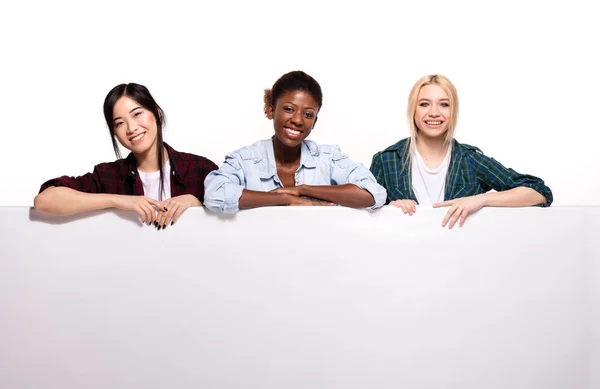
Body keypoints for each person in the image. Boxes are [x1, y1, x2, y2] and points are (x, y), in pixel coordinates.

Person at [370, 74, 552, 228]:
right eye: (424, 104)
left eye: (444, 104)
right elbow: (364, 214)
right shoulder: (386, 161)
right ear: (413, 110)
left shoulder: (470, 160)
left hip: (461, 263)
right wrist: (387, 208)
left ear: (453, 111)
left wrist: (482, 199)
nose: (434, 113)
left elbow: (539, 192)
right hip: (403, 260)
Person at [34, 83, 218, 229]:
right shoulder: (108, 176)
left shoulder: (200, 169)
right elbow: (44, 200)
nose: (131, 128)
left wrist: (194, 202)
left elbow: (235, 217)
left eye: (137, 114)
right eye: (120, 123)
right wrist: (117, 200)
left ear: (157, 113)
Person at [203, 70, 386, 213]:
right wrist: (283, 199)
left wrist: (304, 190)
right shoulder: (246, 159)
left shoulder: (328, 158)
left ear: (314, 121)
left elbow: (373, 193)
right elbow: (214, 194)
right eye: (289, 109)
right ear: (270, 110)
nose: (298, 120)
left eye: (308, 114)